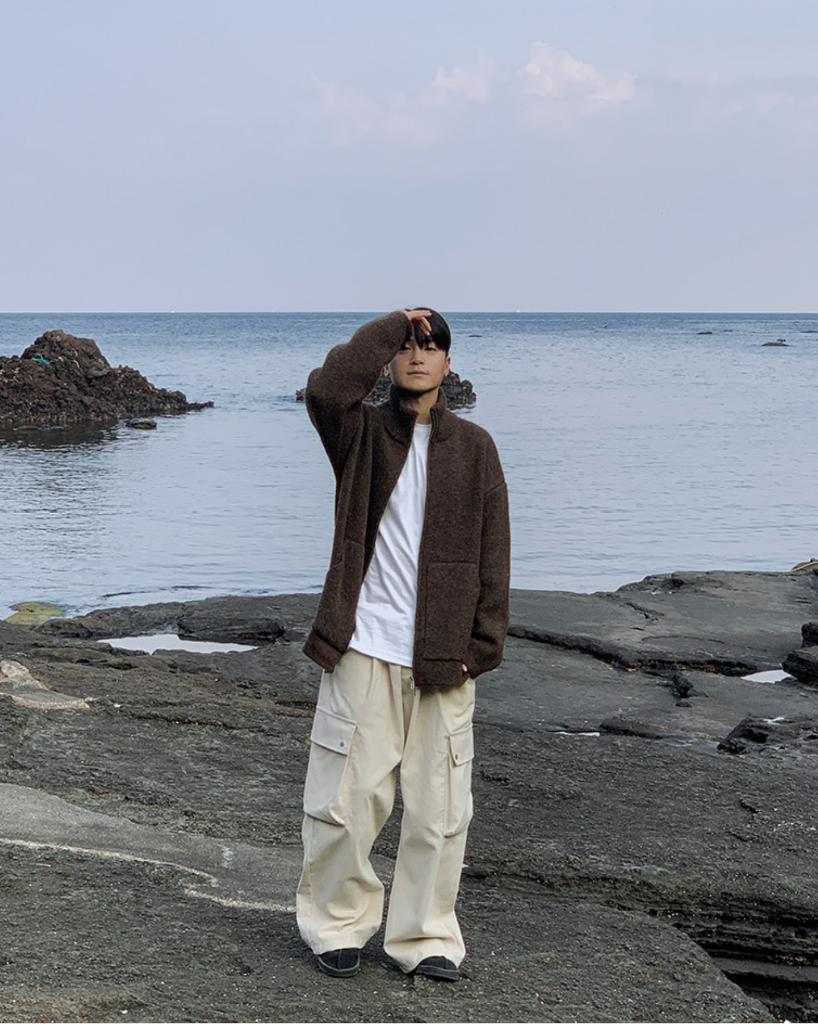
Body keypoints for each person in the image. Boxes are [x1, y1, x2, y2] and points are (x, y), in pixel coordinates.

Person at [296, 307, 510, 982]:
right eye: (408, 346)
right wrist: (390, 324)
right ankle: (337, 925)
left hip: (445, 657)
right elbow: (328, 387)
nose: (419, 355)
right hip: (363, 646)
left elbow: (495, 551)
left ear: (449, 363)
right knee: (345, 800)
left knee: (440, 811)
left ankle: (425, 938)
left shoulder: (475, 447)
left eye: (431, 345)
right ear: (390, 359)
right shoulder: (358, 433)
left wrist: (482, 646)